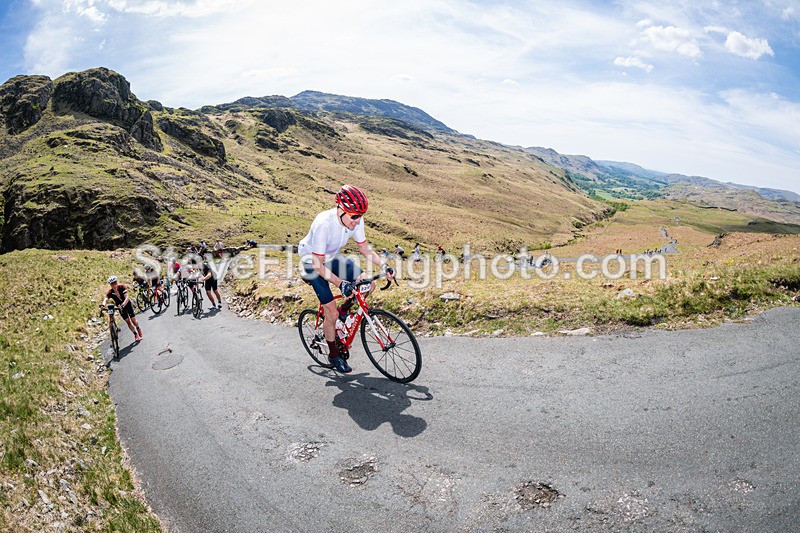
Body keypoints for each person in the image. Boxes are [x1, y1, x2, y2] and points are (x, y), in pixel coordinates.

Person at [298, 184, 393, 373]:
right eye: (354, 216)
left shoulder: (355, 219)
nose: (357, 221)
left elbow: (364, 248)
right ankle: (334, 355)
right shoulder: (323, 223)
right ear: (340, 209)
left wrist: (384, 266)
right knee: (330, 313)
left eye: (360, 216)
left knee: (368, 284)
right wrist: (340, 284)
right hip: (312, 261)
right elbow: (318, 265)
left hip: (332, 257)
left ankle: (344, 311)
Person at [102, 276, 143, 342]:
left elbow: (127, 297)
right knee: (128, 322)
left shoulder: (122, 287)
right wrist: (103, 305)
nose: (114, 285)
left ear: (116, 282)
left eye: (114, 283)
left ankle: (138, 328)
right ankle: (135, 335)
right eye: (112, 284)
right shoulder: (110, 292)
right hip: (120, 308)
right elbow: (106, 298)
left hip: (127, 304)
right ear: (110, 284)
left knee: (133, 320)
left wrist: (123, 304)